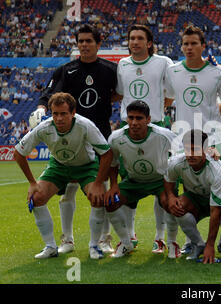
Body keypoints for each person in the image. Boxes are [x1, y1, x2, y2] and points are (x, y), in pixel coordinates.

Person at [36, 24, 118, 255]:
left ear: (98, 44)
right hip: (70, 137)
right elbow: (49, 95)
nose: (84, 45)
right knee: (68, 190)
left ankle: (104, 239)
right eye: (80, 41)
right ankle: (67, 240)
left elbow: (120, 93)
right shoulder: (66, 69)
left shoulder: (111, 70)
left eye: (88, 41)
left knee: (101, 190)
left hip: (100, 135)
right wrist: (42, 108)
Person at [14, 92, 113, 259]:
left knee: (98, 197)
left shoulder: (84, 125)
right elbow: (18, 153)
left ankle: (94, 246)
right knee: (36, 197)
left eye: (63, 114)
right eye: (55, 114)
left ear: (73, 113)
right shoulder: (44, 127)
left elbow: (106, 154)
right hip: (59, 166)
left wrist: (98, 183)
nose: (59, 118)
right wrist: (32, 183)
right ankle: (50, 247)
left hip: (86, 166)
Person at [164, 25, 221, 254]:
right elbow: (167, 100)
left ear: (203, 46)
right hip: (183, 139)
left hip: (213, 138)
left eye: (194, 43)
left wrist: (211, 110)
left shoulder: (217, 72)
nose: (189, 47)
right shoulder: (173, 71)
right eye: (185, 43)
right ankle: (191, 240)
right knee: (187, 188)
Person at [115, 24, 174, 254]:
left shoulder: (163, 62)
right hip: (127, 127)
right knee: (129, 179)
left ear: (149, 43)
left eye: (140, 38)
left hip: (155, 126)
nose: (135, 42)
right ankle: (129, 236)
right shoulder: (123, 64)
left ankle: (159, 238)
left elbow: (170, 95)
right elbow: (121, 93)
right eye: (131, 38)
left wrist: (153, 116)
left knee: (161, 181)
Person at [105, 100, 178, 258]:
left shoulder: (163, 135)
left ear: (148, 119)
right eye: (131, 118)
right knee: (110, 202)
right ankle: (126, 242)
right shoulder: (116, 138)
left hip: (160, 181)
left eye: (139, 118)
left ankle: (168, 242)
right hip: (134, 182)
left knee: (171, 204)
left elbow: (182, 154)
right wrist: (113, 185)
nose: (134, 122)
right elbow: (112, 163)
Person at [164, 130, 221, 263]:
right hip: (195, 197)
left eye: (195, 150)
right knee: (177, 205)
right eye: (188, 149)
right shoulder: (176, 162)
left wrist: (211, 245)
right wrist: (170, 197)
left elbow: (215, 210)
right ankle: (198, 244)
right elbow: (169, 179)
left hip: (220, 198)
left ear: (205, 150)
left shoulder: (216, 169)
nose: (191, 154)